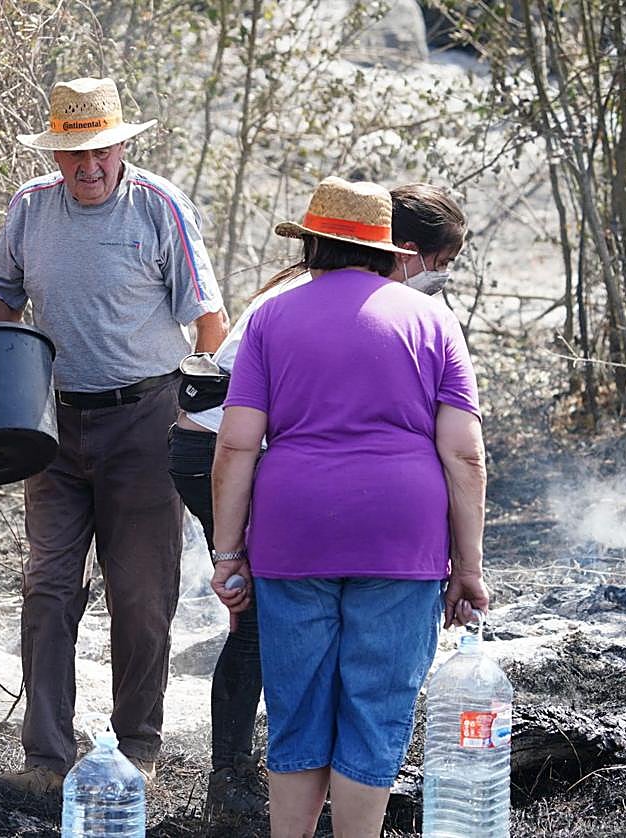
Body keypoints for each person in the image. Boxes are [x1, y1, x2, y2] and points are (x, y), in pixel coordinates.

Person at [0, 76, 229, 795]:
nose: (90, 166)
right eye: (76, 153)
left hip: (147, 419)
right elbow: (3, 301)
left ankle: (137, 746)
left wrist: (200, 418)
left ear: (122, 147)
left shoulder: (158, 206)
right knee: (48, 586)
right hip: (54, 422)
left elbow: (210, 322)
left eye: (102, 151)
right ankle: (45, 759)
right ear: (56, 154)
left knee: (141, 594)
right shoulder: (31, 207)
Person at [168, 182, 467, 819]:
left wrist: (228, 555)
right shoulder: (432, 319)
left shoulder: (273, 314)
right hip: (401, 537)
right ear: (392, 250)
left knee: (298, 709)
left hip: (295, 530)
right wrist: (468, 565)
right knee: (374, 710)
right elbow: (466, 455)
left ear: (311, 243)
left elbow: (236, 444)